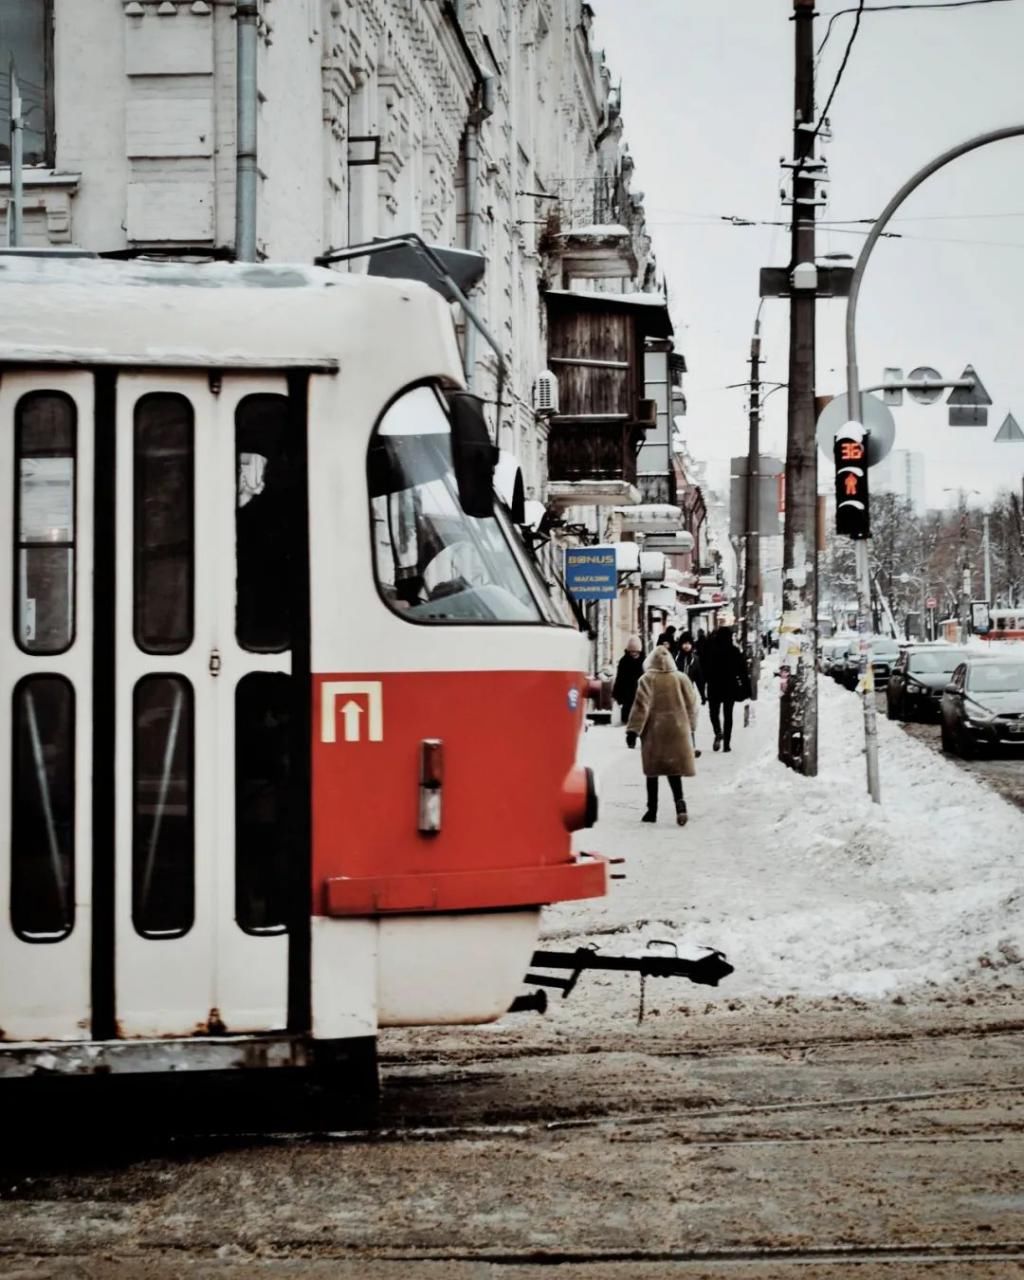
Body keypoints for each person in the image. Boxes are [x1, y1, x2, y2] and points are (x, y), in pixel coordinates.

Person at [625, 645, 699, 826]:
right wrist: (690, 727)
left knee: (652, 773)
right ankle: (680, 805)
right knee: (674, 772)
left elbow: (640, 707)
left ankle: (652, 810)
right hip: (677, 730)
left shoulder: (647, 679)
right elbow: (692, 705)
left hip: (654, 732)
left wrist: (633, 731)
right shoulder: (681, 678)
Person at [701, 625, 751, 753]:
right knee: (728, 715)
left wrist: (705, 681)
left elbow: (704, 667)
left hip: (714, 686)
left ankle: (718, 732)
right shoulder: (734, 651)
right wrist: (746, 688)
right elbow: (742, 671)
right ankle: (727, 744)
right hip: (729, 687)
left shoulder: (711, 650)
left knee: (714, 713)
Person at [675, 632, 706, 757]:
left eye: (689, 643)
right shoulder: (675, 659)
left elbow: (699, 679)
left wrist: (703, 695)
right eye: (684, 643)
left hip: (689, 694)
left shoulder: (695, 660)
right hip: (675, 693)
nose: (687, 646)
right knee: (677, 721)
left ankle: (691, 747)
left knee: (690, 721)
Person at [612, 635, 645, 724]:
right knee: (627, 720)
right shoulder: (624, 662)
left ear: (639, 651)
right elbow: (619, 679)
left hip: (641, 694)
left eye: (636, 652)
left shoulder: (644, 661)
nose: (634, 654)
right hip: (627, 695)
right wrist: (617, 696)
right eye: (631, 652)